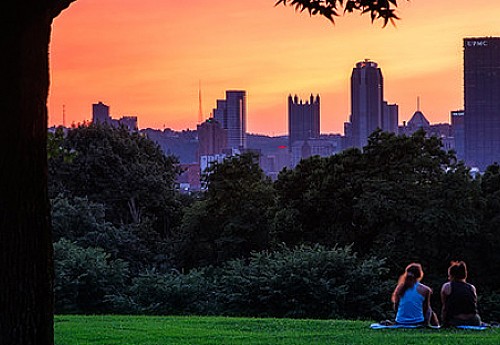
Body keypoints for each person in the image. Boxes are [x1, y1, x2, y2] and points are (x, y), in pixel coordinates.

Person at [441, 261, 481, 327]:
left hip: (456, 321)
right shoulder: (472, 287)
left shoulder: (447, 287)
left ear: (452, 275)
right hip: (474, 320)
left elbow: (445, 307)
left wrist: (444, 322)